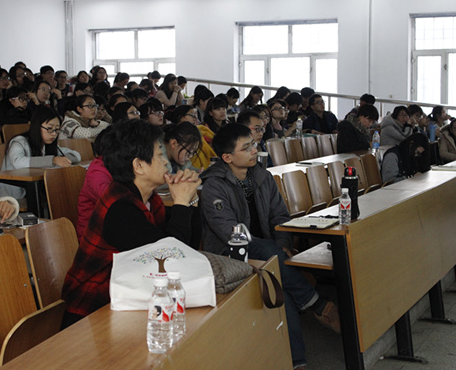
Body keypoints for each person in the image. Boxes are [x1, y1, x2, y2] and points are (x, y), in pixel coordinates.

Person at [199, 123, 340, 369]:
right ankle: (315, 303)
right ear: (227, 157)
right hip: (231, 254)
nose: (255, 150)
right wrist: (272, 249)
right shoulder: (214, 185)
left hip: (269, 253)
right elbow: (230, 232)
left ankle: (297, 361)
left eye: (253, 145)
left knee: (277, 286)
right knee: (269, 255)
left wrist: (282, 244)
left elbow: (280, 216)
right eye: (246, 148)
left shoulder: (262, 177)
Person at [62, 120, 201, 326]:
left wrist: (189, 198)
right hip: (90, 313)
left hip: (124, 297)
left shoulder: (147, 198)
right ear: (138, 165)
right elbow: (171, 259)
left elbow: (187, 247)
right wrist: (181, 201)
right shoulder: (120, 209)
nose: (166, 162)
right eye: (160, 154)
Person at [0, 107, 81, 202]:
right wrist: (53, 160)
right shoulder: (19, 142)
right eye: (49, 128)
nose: (54, 134)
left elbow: (76, 155)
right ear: (37, 126)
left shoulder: (48, 145)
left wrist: (64, 160)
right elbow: (18, 162)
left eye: (57, 129)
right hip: (9, 197)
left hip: (35, 194)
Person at [76, 129, 112, 239]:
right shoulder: (97, 171)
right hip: (93, 236)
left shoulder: (115, 166)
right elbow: (112, 200)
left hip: (110, 229)